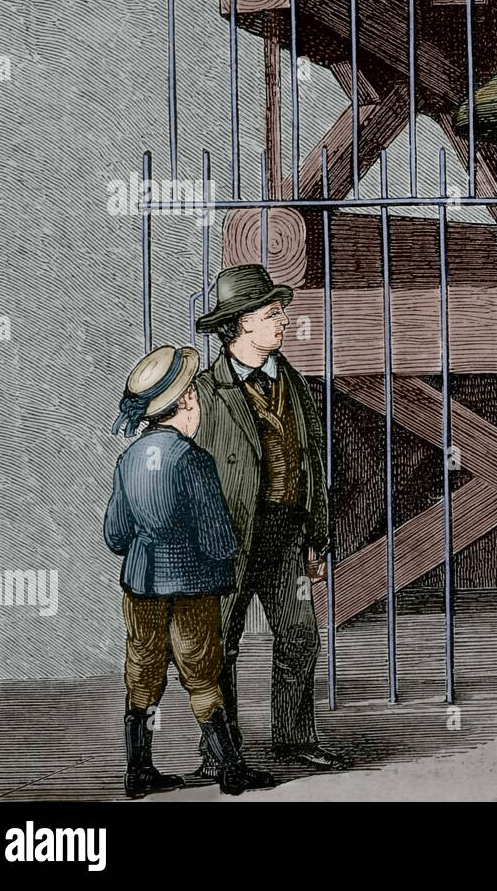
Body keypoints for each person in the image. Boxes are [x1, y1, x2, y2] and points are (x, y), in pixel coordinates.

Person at [192, 265, 349, 774]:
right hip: (229, 540)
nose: (282, 320)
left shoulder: (294, 382)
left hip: (287, 534)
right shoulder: (204, 391)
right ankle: (221, 750)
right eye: (270, 313)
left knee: (301, 634)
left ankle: (294, 737)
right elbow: (185, 467)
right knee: (221, 644)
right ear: (238, 326)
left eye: (279, 311)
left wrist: (317, 538)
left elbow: (313, 462)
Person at [105, 345, 275, 796]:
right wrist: (225, 565)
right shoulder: (194, 460)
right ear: (185, 405)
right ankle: (232, 771)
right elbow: (218, 535)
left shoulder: (129, 459)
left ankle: (138, 772)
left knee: (142, 671)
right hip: (190, 583)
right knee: (202, 674)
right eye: (194, 398)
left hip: (140, 583)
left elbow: (116, 535)